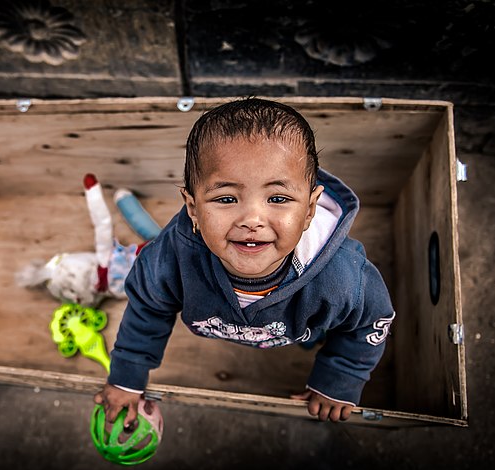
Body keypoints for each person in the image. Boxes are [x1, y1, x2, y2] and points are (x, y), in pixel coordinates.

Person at [93, 98, 395, 424]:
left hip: (299, 325)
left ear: (309, 210)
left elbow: (369, 323)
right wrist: (128, 374)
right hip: (226, 303)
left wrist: (339, 378)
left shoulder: (344, 277)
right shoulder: (170, 259)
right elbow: (147, 307)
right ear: (193, 209)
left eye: (278, 198)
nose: (252, 219)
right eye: (226, 198)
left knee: (321, 325)